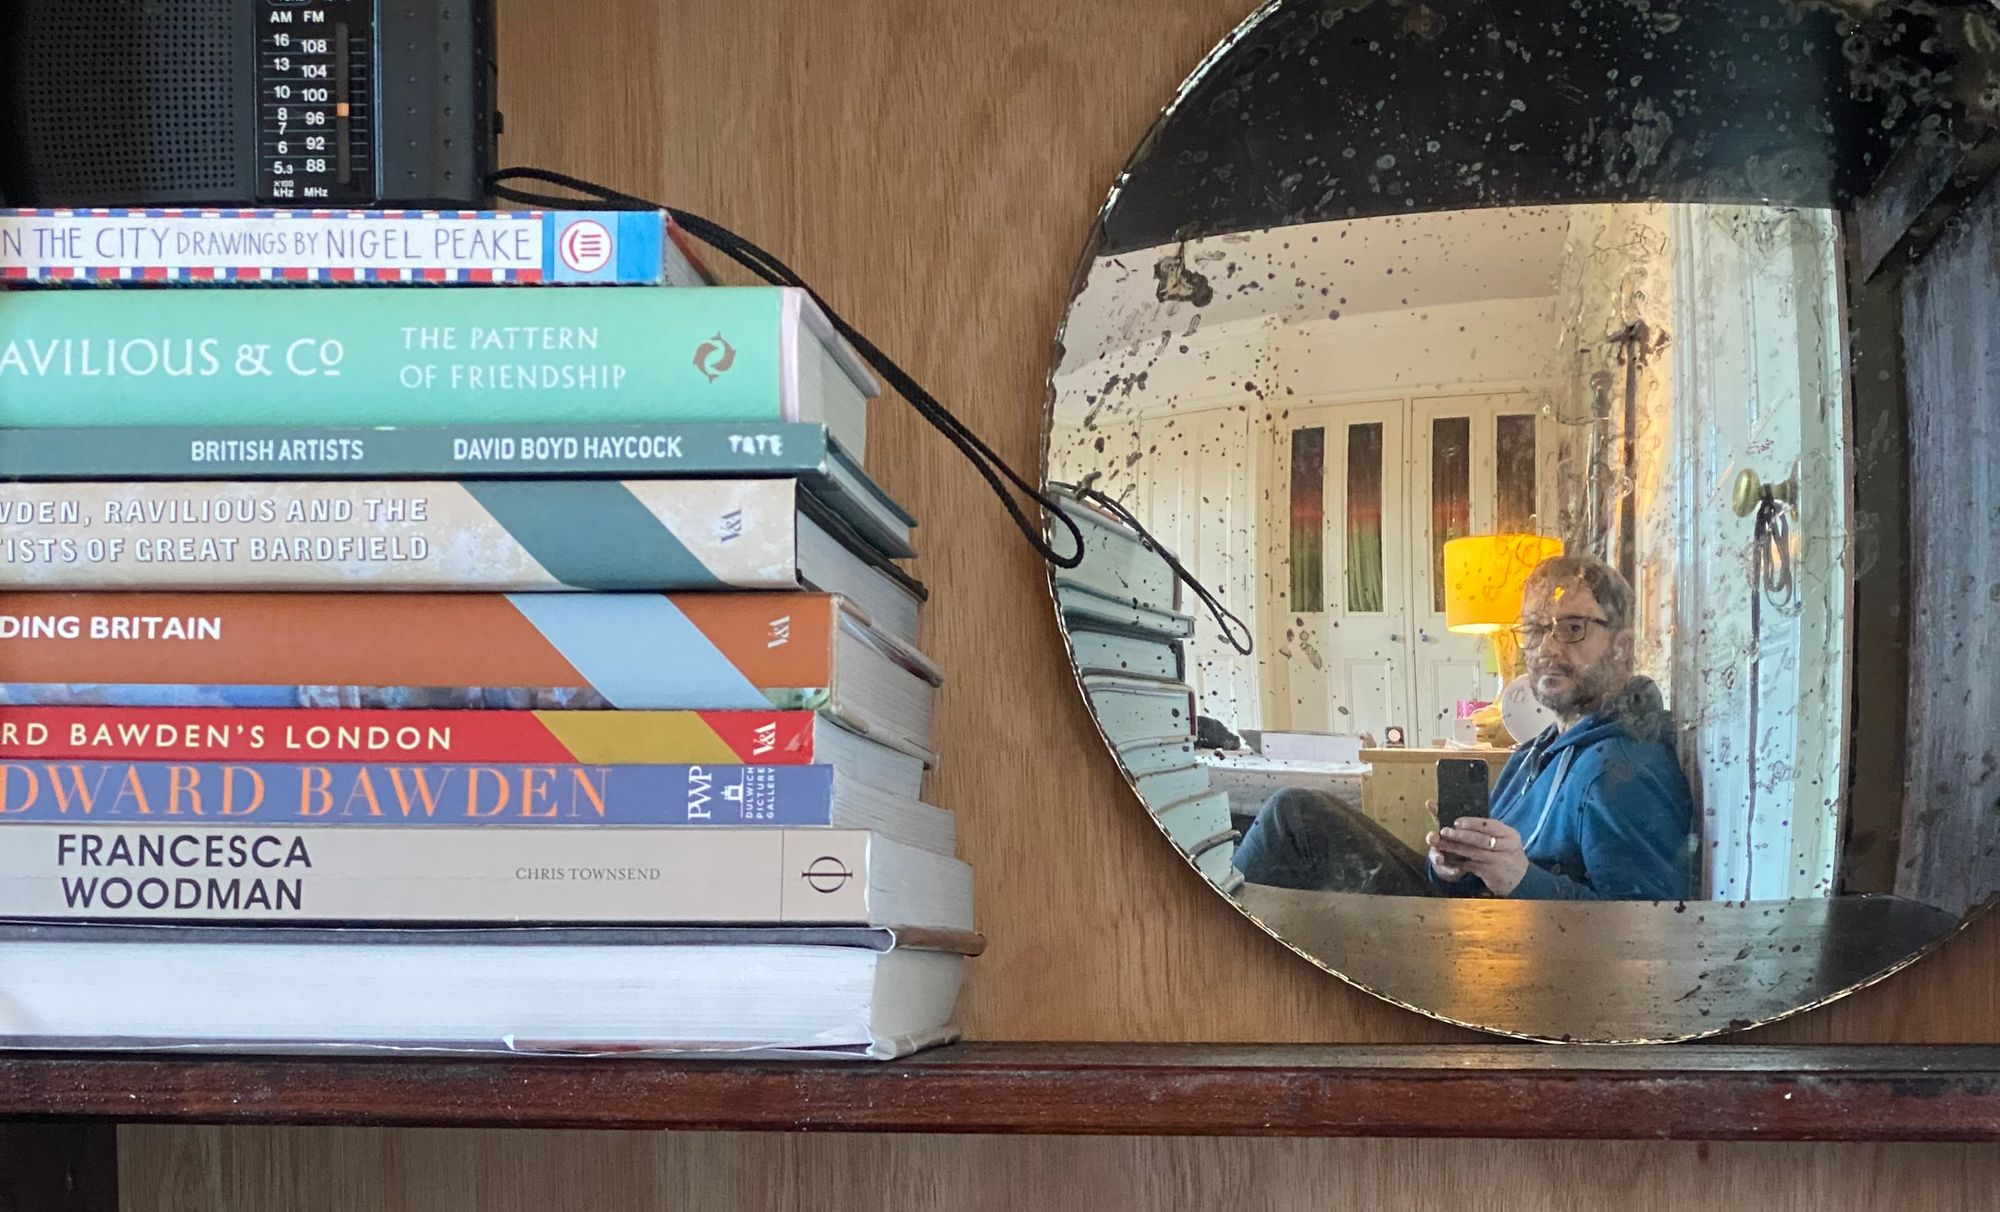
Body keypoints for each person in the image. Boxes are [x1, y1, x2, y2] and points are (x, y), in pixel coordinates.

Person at [1232, 554, 1694, 901]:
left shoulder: (1620, 771)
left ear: (1621, 645)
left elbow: (1643, 934)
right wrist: (1449, 866)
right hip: (1469, 922)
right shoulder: (1535, 752)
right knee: (1294, 815)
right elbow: (1470, 884)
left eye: (1572, 628)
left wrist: (1520, 878)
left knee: (1292, 819)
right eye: (1534, 630)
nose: (1547, 648)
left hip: (1500, 960)